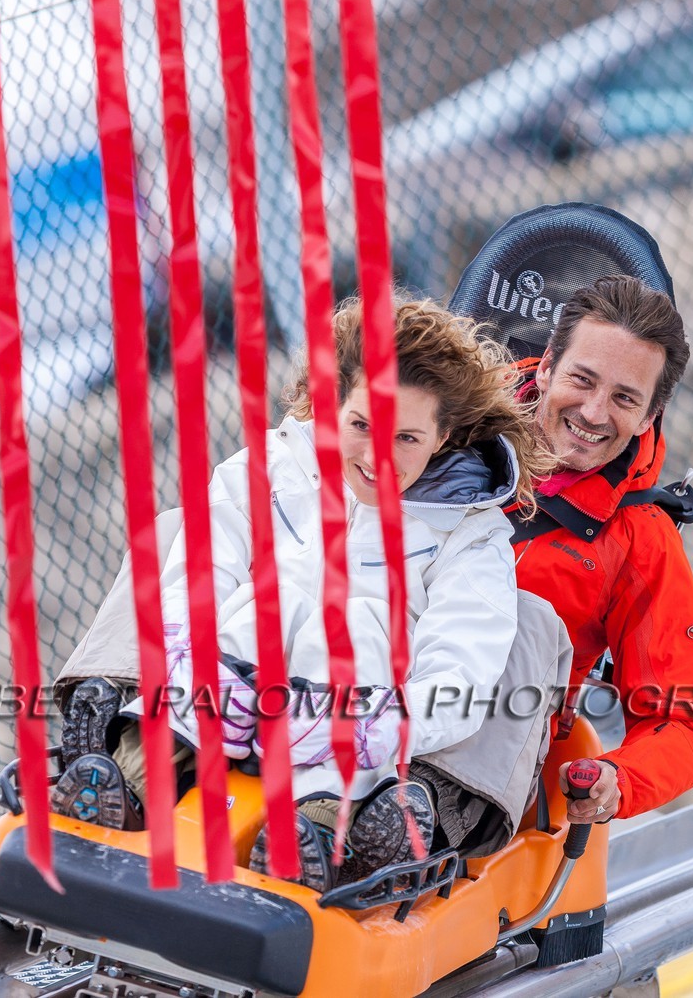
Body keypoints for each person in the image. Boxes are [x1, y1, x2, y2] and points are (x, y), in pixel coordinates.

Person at [52, 296, 554, 891]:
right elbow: (205, 565)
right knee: (252, 592)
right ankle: (125, 780)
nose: (376, 458)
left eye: (407, 439)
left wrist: (384, 728)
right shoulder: (270, 468)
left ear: (445, 436)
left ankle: (313, 834)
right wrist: (187, 653)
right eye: (362, 425)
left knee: (361, 622)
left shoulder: (469, 534)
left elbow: (460, 664)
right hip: (228, 690)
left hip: (346, 721)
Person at [505, 275, 693, 827]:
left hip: (486, 757)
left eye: (625, 398)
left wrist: (616, 781)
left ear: (650, 415)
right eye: (582, 380)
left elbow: (685, 725)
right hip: (346, 698)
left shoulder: (642, 538)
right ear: (548, 365)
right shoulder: (441, 426)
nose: (596, 413)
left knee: (528, 624)